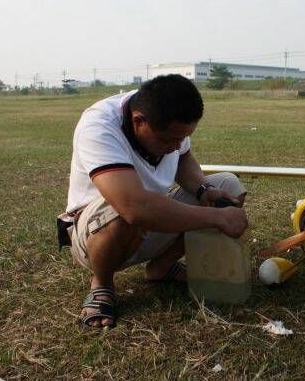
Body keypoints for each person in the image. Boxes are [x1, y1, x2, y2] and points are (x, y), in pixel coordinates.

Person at [61, 74, 248, 328]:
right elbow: (134, 207)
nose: (176, 145)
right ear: (138, 121)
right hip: (97, 234)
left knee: (227, 184)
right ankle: (102, 283)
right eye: (168, 140)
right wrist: (218, 217)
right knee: (123, 211)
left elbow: (184, 159)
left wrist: (205, 190)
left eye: (183, 138)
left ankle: (161, 267)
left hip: (148, 219)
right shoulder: (99, 127)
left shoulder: (168, 119)